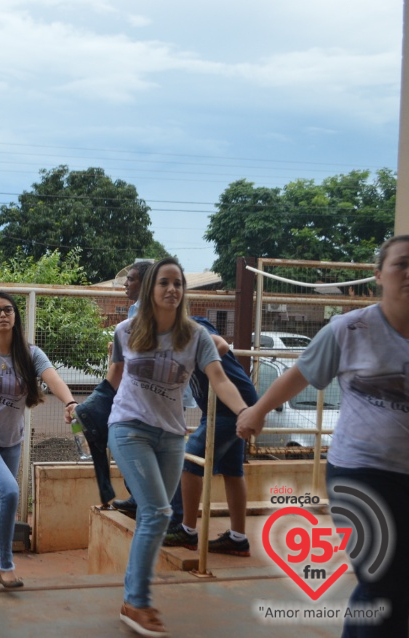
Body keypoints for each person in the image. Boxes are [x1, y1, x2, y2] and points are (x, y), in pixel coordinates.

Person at [238, 235, 409, 638]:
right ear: (378, 275)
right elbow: (300, 374)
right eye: (402, 263)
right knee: (382, 580)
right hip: (360, 474)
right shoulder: (350, 329)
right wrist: (256, 412)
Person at [106, 257, 249, 637]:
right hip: (128, 429)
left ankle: (131, 597)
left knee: (156, 512)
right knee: (156, 512)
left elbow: (219, 380)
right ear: (152, 288)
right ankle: (137, 603)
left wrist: (245, 411)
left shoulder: (196, 336)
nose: (172, 289)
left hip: (171, 435)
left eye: (178, 283)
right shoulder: (125, 330)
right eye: (165, 282)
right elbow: (114, 377)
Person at [0, 292, 78, 588]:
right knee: (8, 491)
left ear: (15, 316)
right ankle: (5, 565)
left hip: (11, 440)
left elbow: (53, 378)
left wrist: (70, 403)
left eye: (8, 310)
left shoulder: (30, 354)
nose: (3, 315)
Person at [162, 316, 257, 556]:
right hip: (218, 408)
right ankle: (238, 538)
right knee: (232, 470)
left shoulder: (187, 326)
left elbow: (221, 345)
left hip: (230, 406)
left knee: (190, 459)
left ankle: (187, 530)